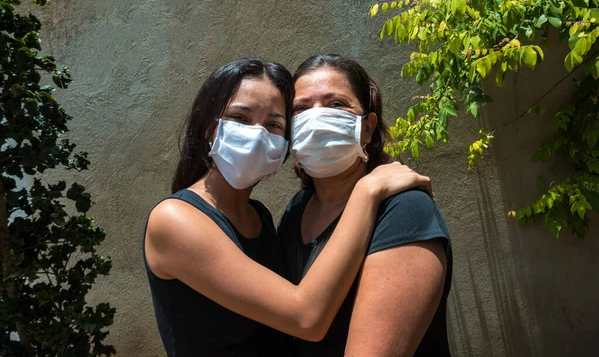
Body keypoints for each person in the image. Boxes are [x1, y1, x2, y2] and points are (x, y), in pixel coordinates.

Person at [143, 57, 433, 356]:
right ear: (208, 127)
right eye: (240, 118)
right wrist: (368, 190)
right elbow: (305, 317)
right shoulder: (175, 219)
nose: (257, 134)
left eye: (273, 124)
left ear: (285, 142)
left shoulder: (261, 219)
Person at [278, 54, 452, 357]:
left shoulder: (405, 211)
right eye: (301, 108)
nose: (316, 118)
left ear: (368, 128)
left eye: (336, 104)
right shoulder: (298, 209)